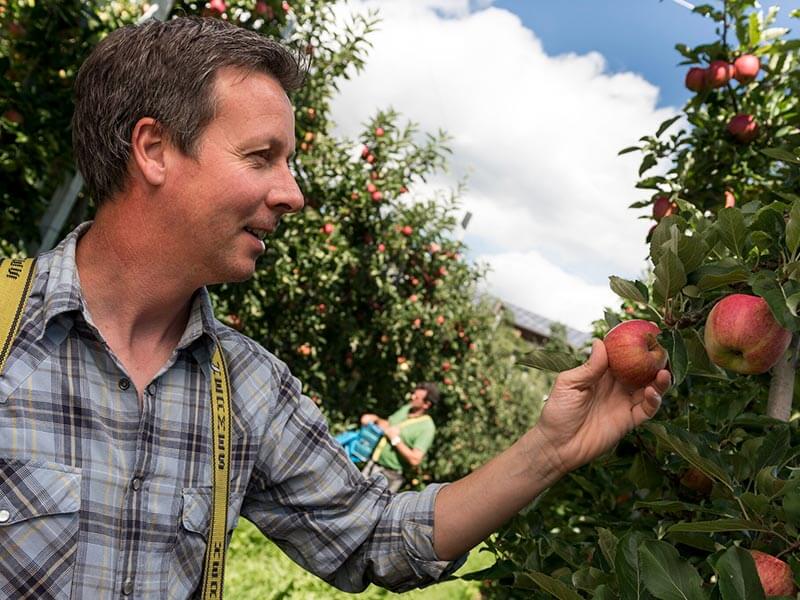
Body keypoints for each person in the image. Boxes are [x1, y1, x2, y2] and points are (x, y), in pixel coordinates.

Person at [0, 16, 671, 599]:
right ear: (153, 150)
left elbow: (376, 536)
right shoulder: (8, 327)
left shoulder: (245, 387)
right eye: (262, 157)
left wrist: (550, 451)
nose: (293, 194)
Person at [360, 382, 439, 492]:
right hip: (374, 463)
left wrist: (395, 440)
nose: (412, 397)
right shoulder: (406, 409)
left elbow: (415, 459)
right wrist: (375, 419)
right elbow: (388, 424)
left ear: (426, 404)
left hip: (390, 475)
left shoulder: (427, 427)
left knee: (370, 507)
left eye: (416, 397)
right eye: (413, 394)